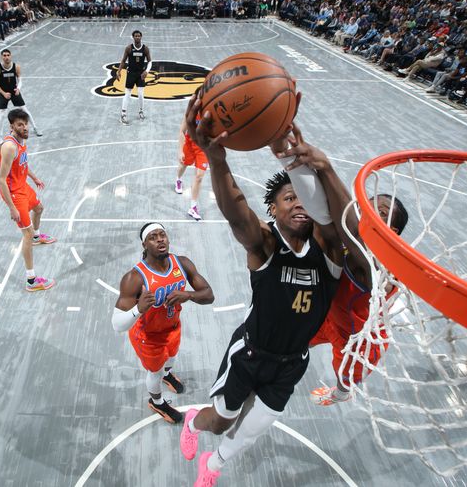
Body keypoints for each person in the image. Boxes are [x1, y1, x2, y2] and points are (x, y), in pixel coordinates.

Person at [178, 92, 344, 486]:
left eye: (302, 196)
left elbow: (338, 217)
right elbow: (237, 214)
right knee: (221, 423)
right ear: (273, 210)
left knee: (252, 432)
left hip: (293, 362)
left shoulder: (331, 249)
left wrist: (319, 167)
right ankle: (192, 420)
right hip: (250, 353)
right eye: (289, 198)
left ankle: (212, 466)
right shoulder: (266, 245)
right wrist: (216, 160)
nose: (298, 204)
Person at [277, 127, 409, 406]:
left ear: (393, 231)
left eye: (381, 212)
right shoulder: (350, 237)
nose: (369, 212)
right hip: (329, 316)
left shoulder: (381, 265)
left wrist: (325, 168)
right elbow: (329, 214)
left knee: (343, 377)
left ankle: (341, 393)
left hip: (359, 339)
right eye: (368, 206)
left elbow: (351, 229)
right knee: (295, 339)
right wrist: (281, 146)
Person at [112, 223, 214, 423]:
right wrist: (138, 309)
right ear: (144, 244)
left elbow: (209, 295)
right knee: (154, 371)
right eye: (153, 237)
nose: (160, 239)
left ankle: (168, 375)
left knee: (172, 358)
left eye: (162, 235)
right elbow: (117, 325)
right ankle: (157, 402)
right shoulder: (134, 278)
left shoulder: (182, 263)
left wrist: (188, 294)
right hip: (148, 336)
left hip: (172, 327)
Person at [0, 108, 57, 292]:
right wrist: (12, 208)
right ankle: (31, 281)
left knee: (39, 209)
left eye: (25, 124)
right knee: (27, 234)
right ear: (12, 126)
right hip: (14, 194)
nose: (24, 128)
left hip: (22, 186)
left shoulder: (21, 141)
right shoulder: (9, 147)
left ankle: (38, 237)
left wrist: (34, 177)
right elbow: (1, 180)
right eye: (20, 125)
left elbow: (22, 163)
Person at [0, 48, 41, 144]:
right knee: (2, 114)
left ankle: (35, 128)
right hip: (3, 92)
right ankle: (0, 136)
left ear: (10, 56)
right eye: (4, 55)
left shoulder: (16, 67)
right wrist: (3, 93)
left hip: (14, 91)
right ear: (1, 57)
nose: (6, 57)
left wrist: (18, 88)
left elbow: (20, 79)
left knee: (25, 110)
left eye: (8, 55)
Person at [175, 113, 208, 221]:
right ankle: (178, 179)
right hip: (189, 143)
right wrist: (180, 151)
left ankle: (193, 207)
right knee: (183, 165)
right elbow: (182, 131)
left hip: (203, 147)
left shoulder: (213, 110)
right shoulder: (192, 111)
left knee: (199, 177)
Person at [116, 30, 152, 125]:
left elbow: (150, 62)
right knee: (127, 94)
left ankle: (141, 111)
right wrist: (119, 71)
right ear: (133, 37)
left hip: (140, 74)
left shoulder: (145, 49)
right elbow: (123, 60)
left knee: (140, 94)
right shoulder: (128, 48)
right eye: (135, 36)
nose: (137, 37)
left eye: (139, 36)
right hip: (131, 73)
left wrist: (146, 71)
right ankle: (123, 114)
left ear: (141, 37)